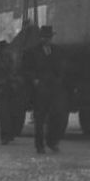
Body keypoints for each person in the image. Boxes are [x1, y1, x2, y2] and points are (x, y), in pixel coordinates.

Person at [21, 25, 67, 155]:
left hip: (54, 88)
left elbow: (62, 67)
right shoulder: (32, 52)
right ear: (41, 38)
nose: (47, 39)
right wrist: (34, 80)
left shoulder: (57, 51)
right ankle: (39, 145)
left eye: (49, 37)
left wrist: (59, 79)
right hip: (39, 90)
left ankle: (52, 142)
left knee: (57, 116)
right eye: (45, 37)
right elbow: (25, 69)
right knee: (40, 119)